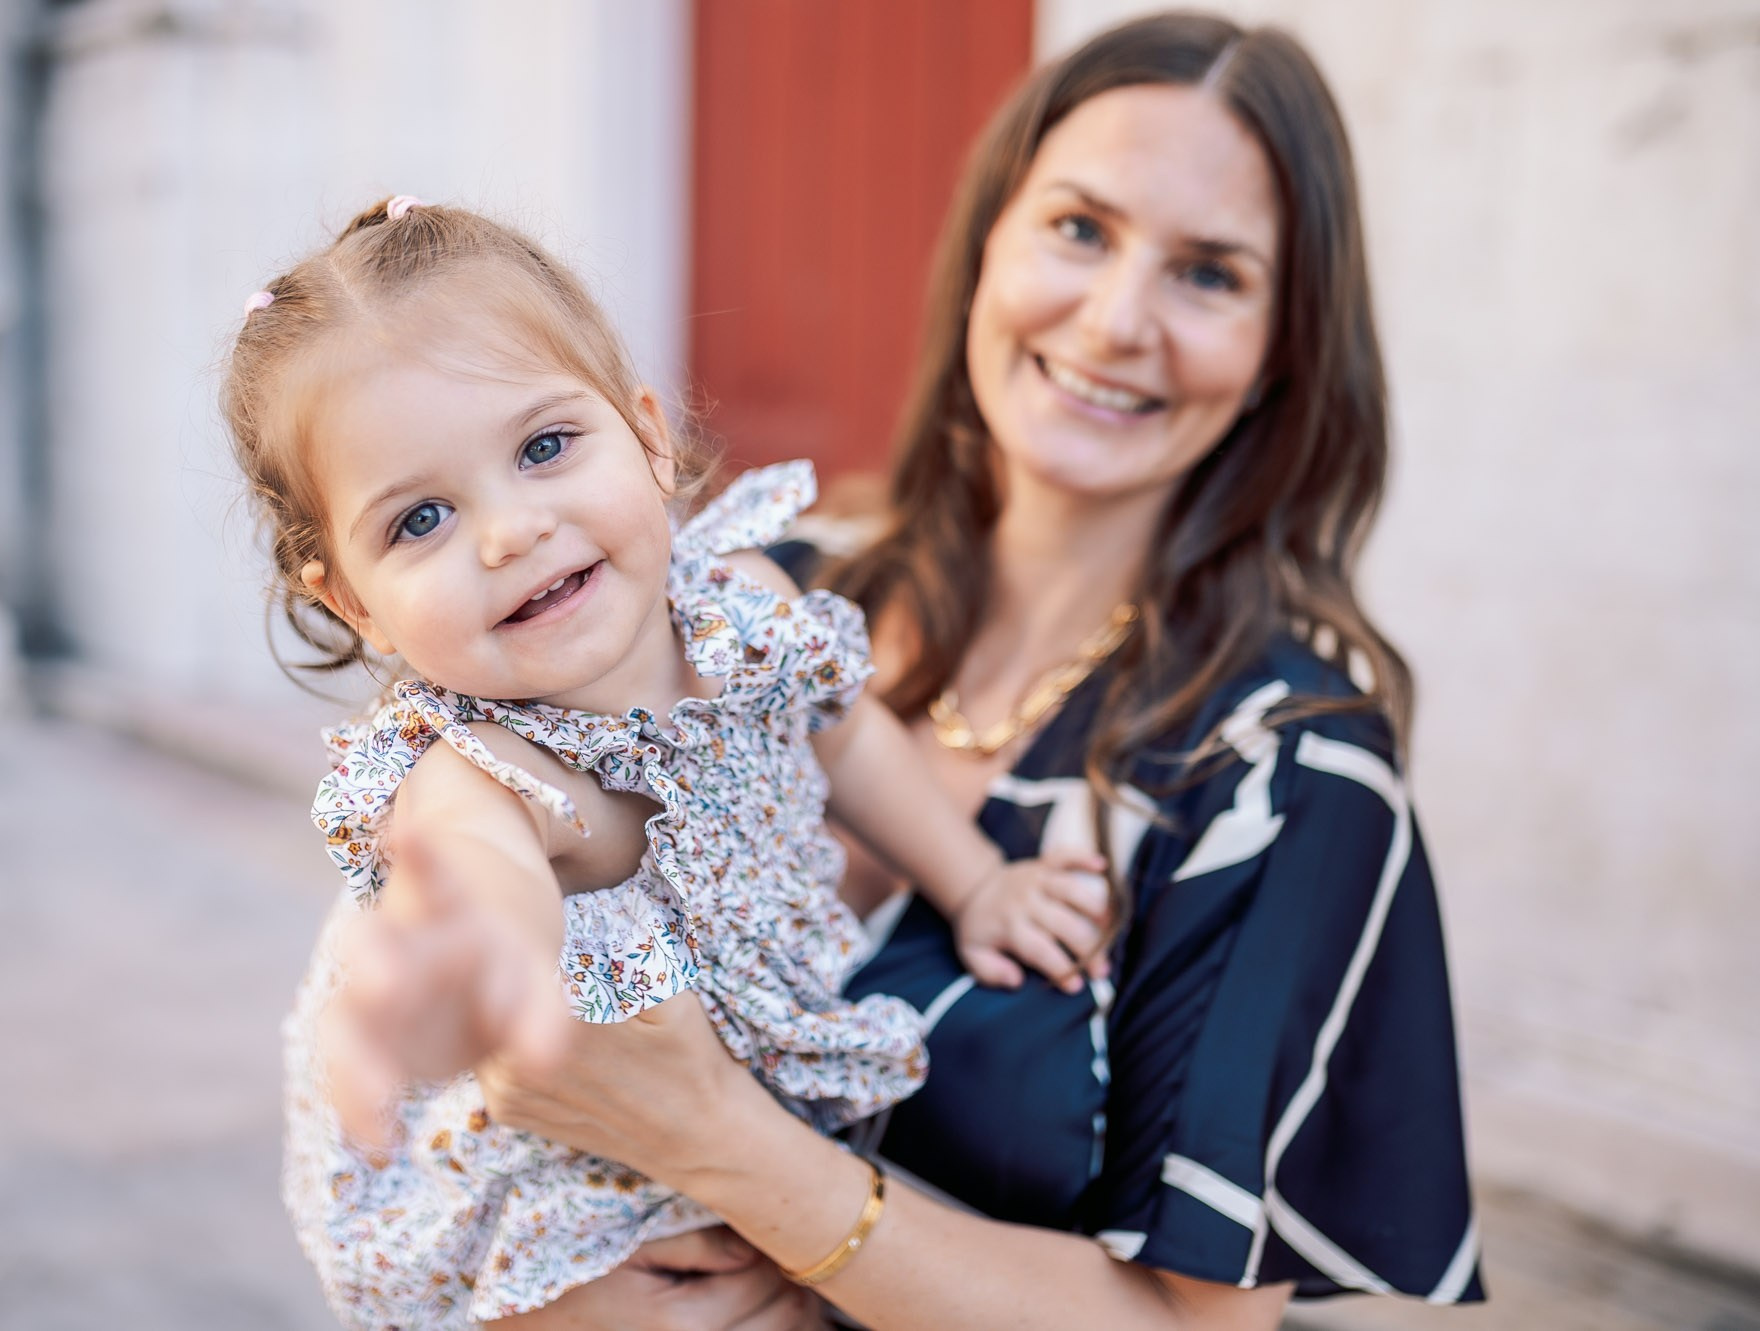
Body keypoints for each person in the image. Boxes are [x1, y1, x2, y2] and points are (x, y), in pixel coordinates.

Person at [349, 11, 1484, 1330]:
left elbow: (1196, 1321)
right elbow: (444, 940)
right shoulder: (763, 593)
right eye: (1079, 228)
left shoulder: (1281, 764)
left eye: (1212, 273)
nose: (1117, 320)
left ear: (1284, 344)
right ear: (989, 237)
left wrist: (738, 1153)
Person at [220, 197, 1111, 1328]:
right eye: (421, 519)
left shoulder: (745, 607)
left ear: (646, 434)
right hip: (575, 1190)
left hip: (743, 1123)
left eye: (544, 448)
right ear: (354, 602)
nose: (509, 530)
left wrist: (975, 880)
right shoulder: (480, 758)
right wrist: (477, 945)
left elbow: (851, 735)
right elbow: (474, 859)